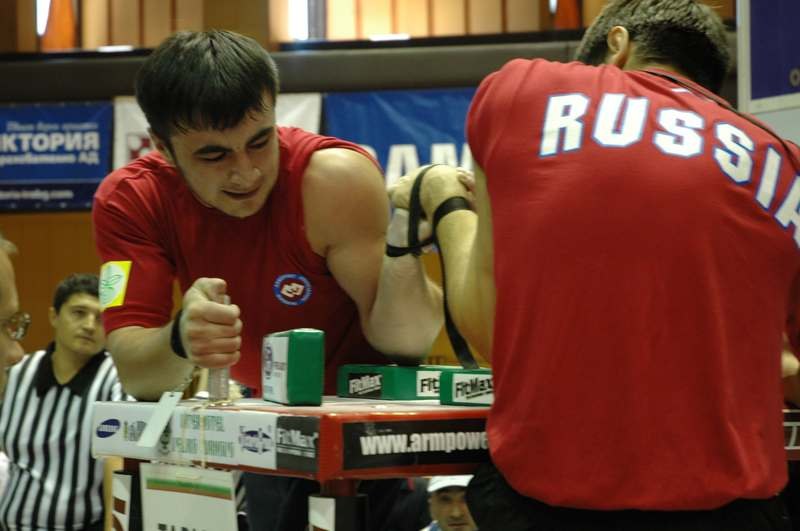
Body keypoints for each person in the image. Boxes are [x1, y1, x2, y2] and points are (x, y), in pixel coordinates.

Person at [390, 1, 800, 529]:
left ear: (617, 45)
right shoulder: (783, 163)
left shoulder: (526, 89)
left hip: (558, 507)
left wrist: (445, 200)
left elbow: (492, 330)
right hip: (735, 513)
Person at [92, 30, 443, 530]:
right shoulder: (130, 201)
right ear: (163, 148)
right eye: (214, 155)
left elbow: (405, 343)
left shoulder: (332, 179)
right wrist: (181, 338)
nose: (246, 172)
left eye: (259, 141)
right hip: (265, 432)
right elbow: (137, 374)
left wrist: (403, 254)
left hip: (373, 438)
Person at [0, 273, 128, 530]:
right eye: (79, 313)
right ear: (54, 317)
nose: (90, 325)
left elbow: (117, 462)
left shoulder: (116, 379)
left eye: (100, 318)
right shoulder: (17, 371)